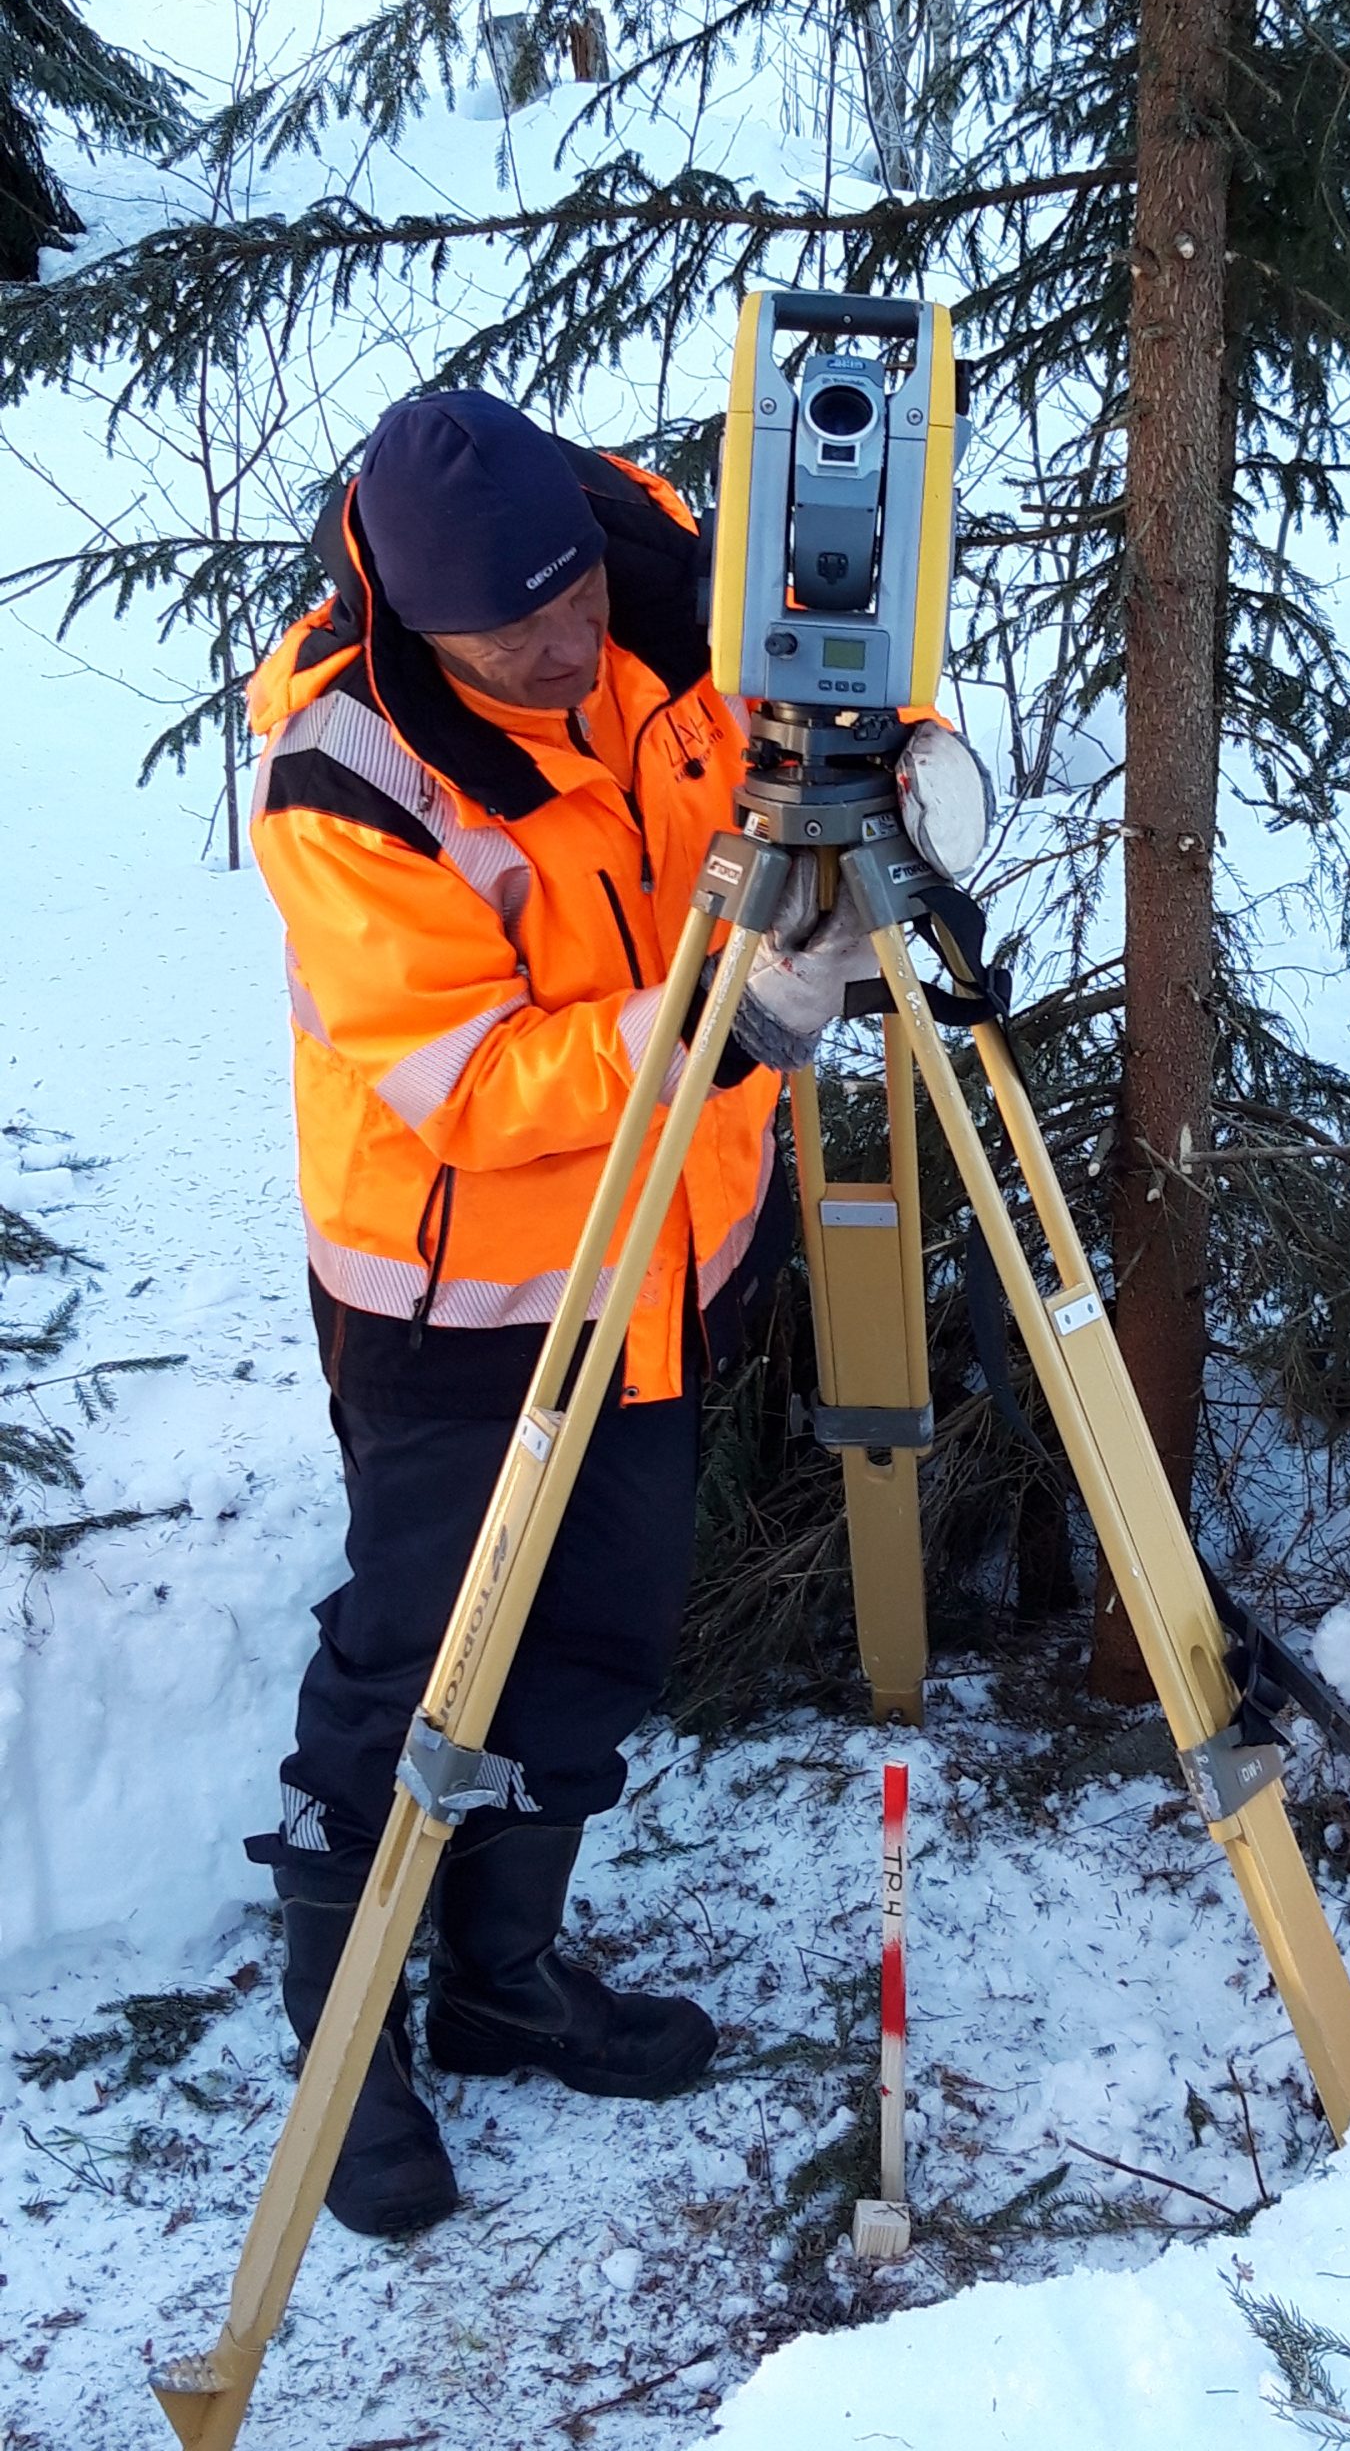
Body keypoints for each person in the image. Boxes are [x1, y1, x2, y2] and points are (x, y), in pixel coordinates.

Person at [242, 390, 870, 2238]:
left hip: (662, 1259)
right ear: (417, 615)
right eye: (514, 633)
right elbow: (471, 1079)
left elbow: (815, 677)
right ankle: (344, 2029)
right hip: (463, 1298)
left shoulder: (660, 582)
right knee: (417, 1658)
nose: (567, 644)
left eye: (576, 595)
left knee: (595, 1635)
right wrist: (722, 1023)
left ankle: (502, 1978)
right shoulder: (350, 779)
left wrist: (898, 758)